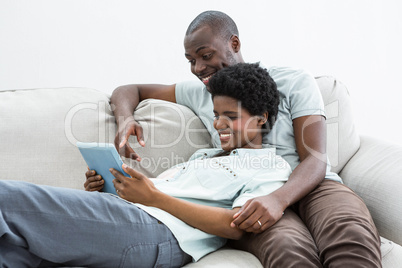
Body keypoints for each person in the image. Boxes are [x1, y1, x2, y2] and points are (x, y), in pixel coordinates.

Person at [108, 10, 382, 267]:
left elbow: (315, 157)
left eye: (205, 55)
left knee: (350, 234)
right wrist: (126, 118)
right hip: (249, 192)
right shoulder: (201, 92)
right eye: (191, 60)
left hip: (311, 184)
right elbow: (128, 89)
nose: (198, 68)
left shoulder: (293, 81)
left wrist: (278, 199)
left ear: (235, 43)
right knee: (287, 249)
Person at [0, 63, 290, 267]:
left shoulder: (270, 166)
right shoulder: (204, 157)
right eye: (216, 114)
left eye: (230, 115)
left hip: (161, 234)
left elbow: (235, 226)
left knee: (6, 198)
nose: (218, 124)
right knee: (10, 251)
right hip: (134, 219)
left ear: (261, 117)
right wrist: (108, 189)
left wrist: (153, 197)